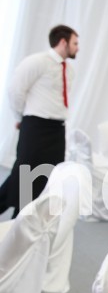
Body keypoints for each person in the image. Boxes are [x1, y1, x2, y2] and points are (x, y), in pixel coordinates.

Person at [0, 25, 78, 217]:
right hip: (36, 126)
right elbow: (15, 91)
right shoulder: (37, 62)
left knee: (47, 177)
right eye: (75, 43)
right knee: (24, 175)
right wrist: (21, 116)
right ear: (63, 42)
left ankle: (23, 221)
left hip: (56, 130)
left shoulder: (69, 70)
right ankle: (16, 218)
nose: (78, 47)